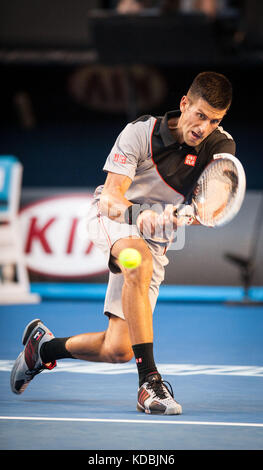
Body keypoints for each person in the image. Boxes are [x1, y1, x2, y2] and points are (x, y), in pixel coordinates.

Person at [11, 71, 236, 415]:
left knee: (119, 348)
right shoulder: (140, 133)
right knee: (138, 258)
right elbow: (112, 199)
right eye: (200, 115)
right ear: (184, 104)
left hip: (157, 240)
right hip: (114, 220)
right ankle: (149, 383)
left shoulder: (219, 145)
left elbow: (216, 199)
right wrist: (138, 216)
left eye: (213, 120)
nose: (203, 127)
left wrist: (188, 215)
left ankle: (43, 349)